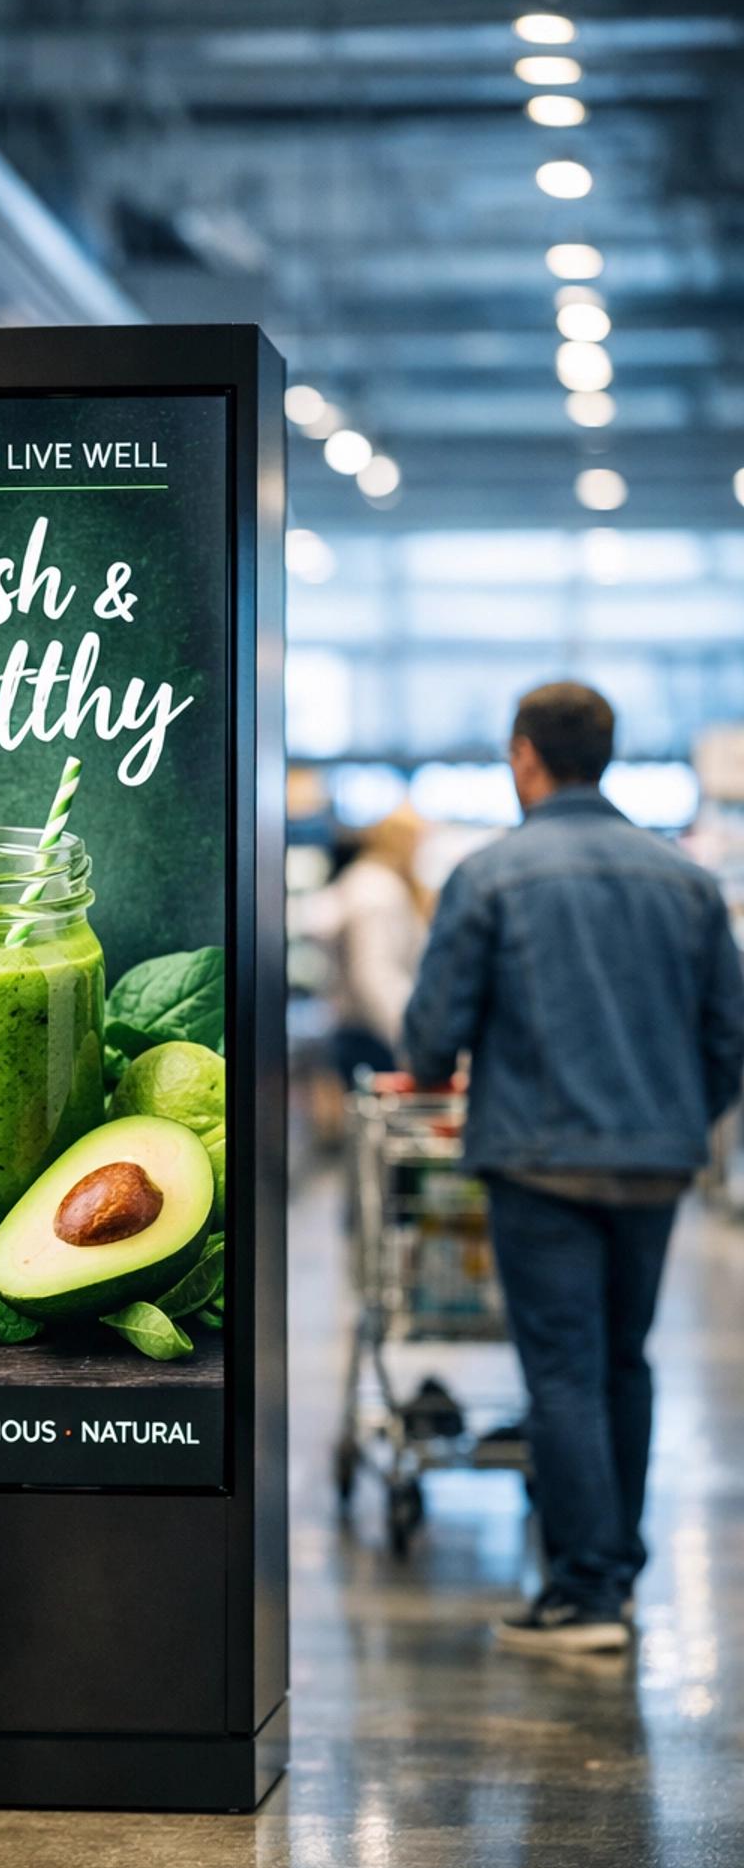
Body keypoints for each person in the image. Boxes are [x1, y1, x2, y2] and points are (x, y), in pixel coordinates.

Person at [402, 681, 744, 1654]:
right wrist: (685, 1119)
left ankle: (585, 1593)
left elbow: (434, 1030)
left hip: (538, 1159)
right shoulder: (683, 880)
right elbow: (730, 1032)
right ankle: (617, 1577)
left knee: (561, 1372)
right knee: (623, 1361)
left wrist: (429, 1074)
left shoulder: (492, 875)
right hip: (655, 1161)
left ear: (523, 756)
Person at [299, 804, 431, 1089]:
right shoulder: (377, 890)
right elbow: (373, 975)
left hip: (363, 1032)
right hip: (373, 1036)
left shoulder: (366, 881)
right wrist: (411, 1040)